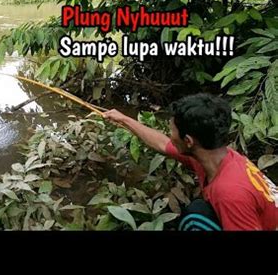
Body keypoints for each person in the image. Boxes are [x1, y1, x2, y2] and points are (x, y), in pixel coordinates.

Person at [103, 93, 278, 231]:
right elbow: (163, 144)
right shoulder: (216, 155)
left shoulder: (229, 192)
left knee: (194, 217)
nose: (170, 136)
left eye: (172, 130)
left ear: (188, 141)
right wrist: (124, 119)